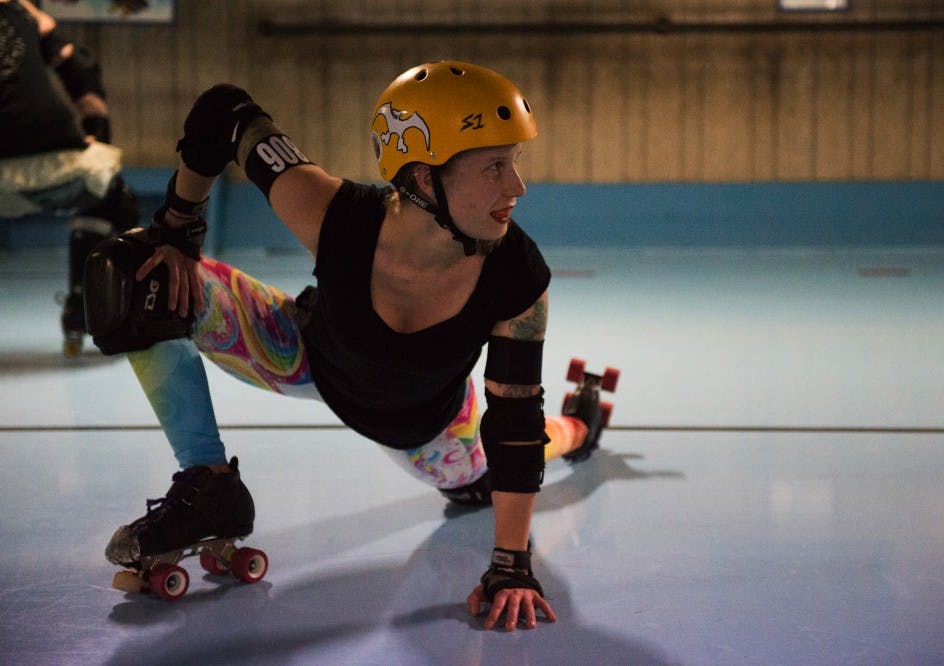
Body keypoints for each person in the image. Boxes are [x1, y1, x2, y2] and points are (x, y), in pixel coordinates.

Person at [91, 61, 612, 630]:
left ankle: (580, 425)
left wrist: (511, 563)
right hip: (304, 355)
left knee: (486, 478)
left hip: (427, 427)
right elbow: (225, 111)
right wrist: (176, 228)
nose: (517, 186)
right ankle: (210, 485)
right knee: (142, 273)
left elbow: (513, 421)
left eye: (515, 163)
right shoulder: (337, 215)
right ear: (421, 178)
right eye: (494, 167)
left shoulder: (518, 274)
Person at [0, 0, 139, 355]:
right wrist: (98, 133)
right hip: (52, 163)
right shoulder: (23, 10)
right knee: (111, 195)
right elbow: (75, 64)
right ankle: (84, 308)